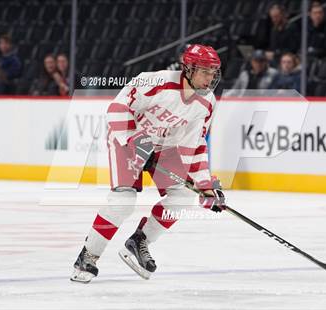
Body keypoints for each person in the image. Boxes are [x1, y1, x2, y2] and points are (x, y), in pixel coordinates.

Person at [70, 44, 227, 283]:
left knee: (183, 197)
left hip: (165, 147)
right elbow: (116, 109)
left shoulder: (207, 103)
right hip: (127, 140)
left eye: (213, 72)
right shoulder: (154, 82)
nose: (210, 78)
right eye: (205, 71)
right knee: (123, 202)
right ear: (188, 68)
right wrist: (138, 142)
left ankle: (139, 241)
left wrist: (205, 186)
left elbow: (195, 146)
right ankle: (88, 255)